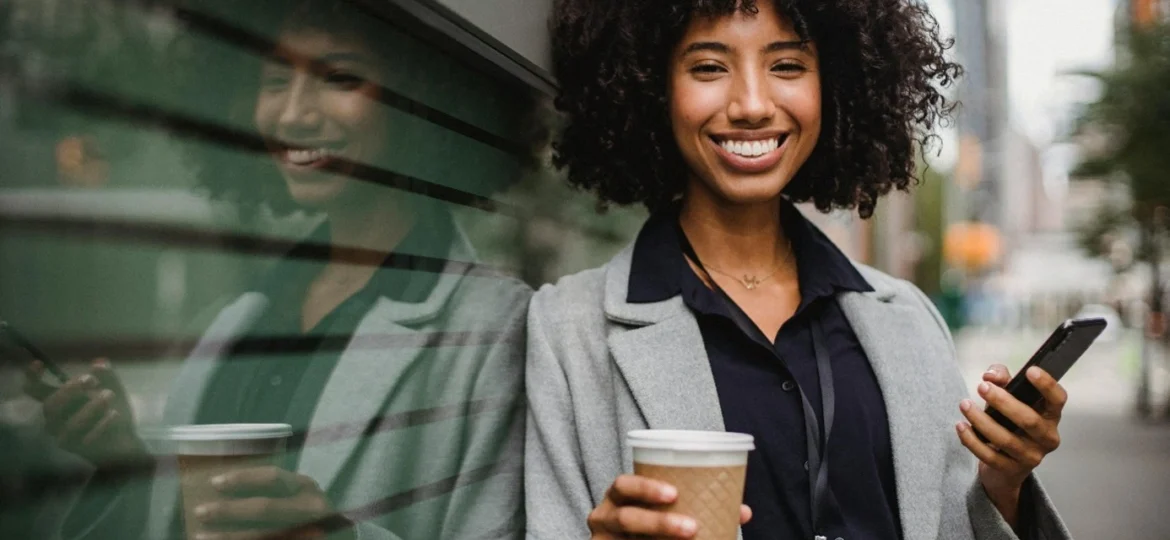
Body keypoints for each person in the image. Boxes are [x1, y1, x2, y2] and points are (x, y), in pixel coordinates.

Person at [526, 1, 1072, 539]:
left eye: (786, 65)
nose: (752, 104)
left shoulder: (908, 317)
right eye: (709, 67)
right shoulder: (568, 331)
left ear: (833, 86)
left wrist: (1005, 482)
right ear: (653, 87)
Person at [21, 2, 530, 539]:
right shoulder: (236, 321)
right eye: (273, 80)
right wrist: (122, 454)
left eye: (339, 77)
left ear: (423, 101)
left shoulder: (496, 328)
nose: (292, 115)